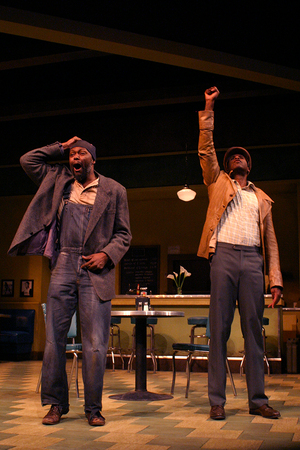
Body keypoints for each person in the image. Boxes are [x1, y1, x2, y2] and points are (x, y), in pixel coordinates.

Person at [8, 136, 132, 426]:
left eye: (80, 153)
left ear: (93, 158)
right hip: (63, 262)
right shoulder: (57, 179)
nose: (74, 158)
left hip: (95, 268)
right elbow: (28, 160)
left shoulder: (115, 190)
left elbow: (124, 235)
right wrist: (61, 146)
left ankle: (93, 408)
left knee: (95, 343)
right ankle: (55, 404)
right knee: (53, 341)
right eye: (71, 155)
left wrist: (106, 254)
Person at [197, 87, 283, 420]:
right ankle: (217, 400)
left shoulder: (262, 198)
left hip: (253, 261)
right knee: (218, 330)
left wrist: (274, 279)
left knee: (253, 331)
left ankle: (257, 400)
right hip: (224, 257)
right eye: (232, 156)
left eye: (241, 156)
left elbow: (272, 242)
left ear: (249, 164)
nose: (236, 158)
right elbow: (206, 149)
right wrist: (208, 107)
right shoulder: (217, 182)